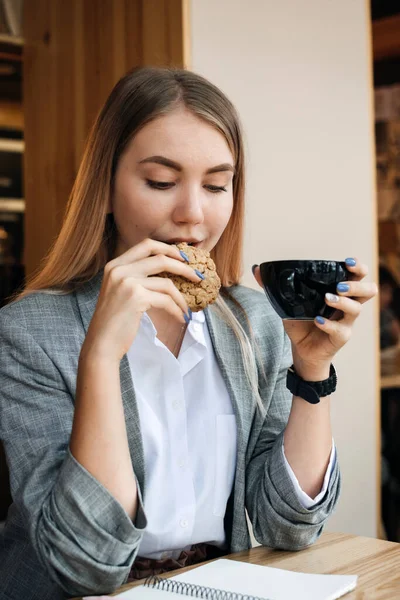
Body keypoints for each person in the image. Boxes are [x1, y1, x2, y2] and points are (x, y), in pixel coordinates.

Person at [0, 67, 377, 600]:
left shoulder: (253, 321)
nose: (193, 215)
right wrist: (102, 357)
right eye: (160, 182)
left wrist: (311, 372)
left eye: (217, 185)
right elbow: (85, 563)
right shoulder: (27, 334)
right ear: (104, 189)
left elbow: (289, 528)